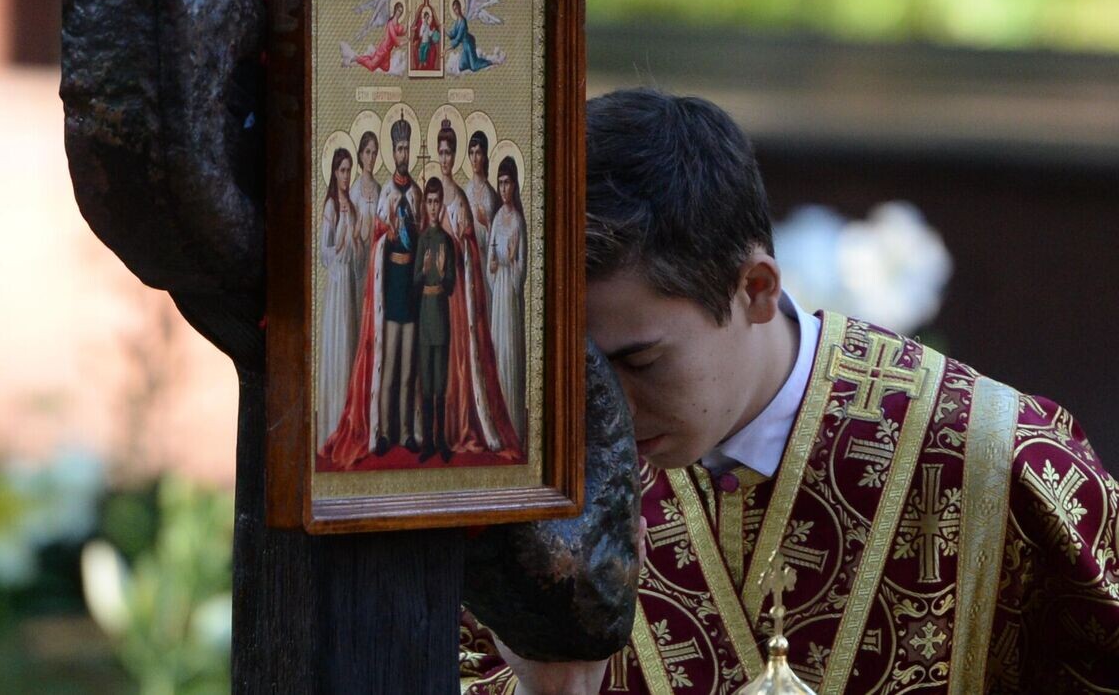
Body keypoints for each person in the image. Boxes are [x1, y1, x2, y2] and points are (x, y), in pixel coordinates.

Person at [461, 88, 1119, 693]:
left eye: (639, 361)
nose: (607, 415)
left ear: (756, 288)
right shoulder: (527, 495)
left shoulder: (997, 462)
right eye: (578, 374)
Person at [319, 118, 421, 468]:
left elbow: (413, 236)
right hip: (369, 283)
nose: (401, 153)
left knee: (402, 363)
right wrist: (381, 234)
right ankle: (369, 424)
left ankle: (402, 429)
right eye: (368, 152)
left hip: (393, 282)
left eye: (406, 147)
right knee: (375, 358)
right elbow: (371, 235)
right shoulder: (372, 197)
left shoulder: (396, 192)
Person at [434, 119, 523, 459]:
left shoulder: (483, 196)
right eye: (468, 151)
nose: (473, 157)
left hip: (478, 287)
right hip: (446, 289)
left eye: (477, 151)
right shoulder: (449, 193)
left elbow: (485, 244)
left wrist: (474, 236)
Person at [316, 148, 358, 446]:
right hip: (337, 284)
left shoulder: (352, 206)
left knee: (349, 346)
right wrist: (341, 247)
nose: (345, 176)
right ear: (333, 172)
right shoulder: (331, 206)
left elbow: (353, 252)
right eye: (341, 170)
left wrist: (356, 244)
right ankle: (332, 424)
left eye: (348, 170)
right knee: (338, 346)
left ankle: (348, 425)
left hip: (350, 286)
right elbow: (323, 252)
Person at [414, 177, 456, 463]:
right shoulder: (422, 240)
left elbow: (451, 285)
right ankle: (427, 441)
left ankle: (441, 440)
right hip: (424, 317)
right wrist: (426, 270)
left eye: (436, 201)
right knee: (426, 382)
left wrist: (442, 273)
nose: (432, 206)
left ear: (441, 205)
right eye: (428, 201)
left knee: (440, 381)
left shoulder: (446, 242)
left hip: (441, 316)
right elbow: (416, 280)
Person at [485, 156, 527, 449]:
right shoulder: (498, 217)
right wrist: (495, 267)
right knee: (498, 352)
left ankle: (514, 424)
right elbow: (490, 260)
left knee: (511, 351)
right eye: (499, 182)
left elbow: (522, 266)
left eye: (507, 182)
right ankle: (499, 424)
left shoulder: (518, 221)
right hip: (498, 292)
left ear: (514, 185)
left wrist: (511, 263)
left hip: (510, 296)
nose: (502, 188)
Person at [464, 130, 501, 310]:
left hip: (485, 262)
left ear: (485, 156)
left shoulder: (491, 195)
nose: (474, 158)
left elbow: (498, 237)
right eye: (471, 153)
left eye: (478, 153)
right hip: (468, 261)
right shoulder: (466, 191)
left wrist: (486, 223)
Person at [350, 130, 381, 303]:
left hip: (375, 257)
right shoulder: (354, 191)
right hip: (359, 259)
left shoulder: (378, 190)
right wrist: (358, 241)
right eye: (368, 152)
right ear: (361, 155)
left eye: (374, 153)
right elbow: (350, 231)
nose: (371, 158)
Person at [355, 0, 406, 72]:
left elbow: (402, 31)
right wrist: (407, 41)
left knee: (386, 68)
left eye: (401, 12)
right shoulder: (391, 24)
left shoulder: (397, 25)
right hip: (383, 49)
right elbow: (396, 41)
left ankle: (373, 58)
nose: (399, 13)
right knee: (372, 67)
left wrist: (409, 25)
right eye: (398, 11)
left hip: (387, 52)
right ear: (395, 10)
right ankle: (358, 58)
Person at [448, 0, 493, 73]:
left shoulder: (463, 21)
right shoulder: (457, 21)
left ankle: (488, 62)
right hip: (464, 47)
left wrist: (448, 49)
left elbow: (458, 38)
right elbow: (453, 33)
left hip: (469, 44)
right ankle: (472, 60)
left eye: (456, 8)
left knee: (474, 67)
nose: (456, 11)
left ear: (460, 7)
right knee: (461, 66)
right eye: (454, 9)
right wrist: (444, 31)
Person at [411, 0, 441, 72]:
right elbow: (417, 24)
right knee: (420, 50)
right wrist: (417, 31)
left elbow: (432, 30)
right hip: (421, 40)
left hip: (428, 41)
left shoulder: (431, 10)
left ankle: (424, 62)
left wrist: (435, 30)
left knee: (428, 50)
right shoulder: (420, 9)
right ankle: (421, 62)